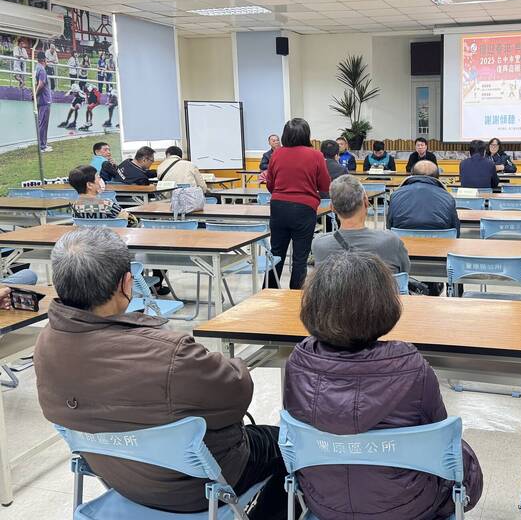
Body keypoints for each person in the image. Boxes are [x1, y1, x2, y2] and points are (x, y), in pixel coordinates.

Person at [35, 228, 289, 519]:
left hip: (120, 477)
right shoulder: (168, 352)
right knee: (286, 445)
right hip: (194, 488)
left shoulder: (46, 343)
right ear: (127, 283)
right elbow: (237, 394)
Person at [284, 252, 483, 519]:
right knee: (459, 456)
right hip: (409, 506)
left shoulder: (298, 364)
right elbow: (438, 445)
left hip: (324, 503)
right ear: (383, 304)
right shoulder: (412, 369)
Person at [266, 118, 330, 289]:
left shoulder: (276, 154)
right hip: (304, 208)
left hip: (278, 206)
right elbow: (325, 185)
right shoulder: (316, 155)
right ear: (306, 134)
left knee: (276, 253)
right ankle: (295, 296)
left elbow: (270, 185)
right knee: (300, 257)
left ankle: (269, 292)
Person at [312, 175, 410, 274]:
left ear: (332, 208)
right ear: (366, 202)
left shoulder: (319, 245)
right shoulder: (391, 242)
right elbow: (404, 273)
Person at [387, 160, 460, 237]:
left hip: (403, 244)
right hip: (440, 245)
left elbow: (389, 226)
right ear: (438, 177)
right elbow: (455, 230)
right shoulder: (448, 197)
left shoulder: (395, 195)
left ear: (411, 175)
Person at [34, 50, 52, 153]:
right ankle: (42, 146)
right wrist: (36, 95)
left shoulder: (36, 68)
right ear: (44, 60)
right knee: (43, 123)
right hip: (45, 100)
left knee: (42, 123)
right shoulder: (42, 70)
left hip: (42, 100)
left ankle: (43, 144)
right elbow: (41, 84)